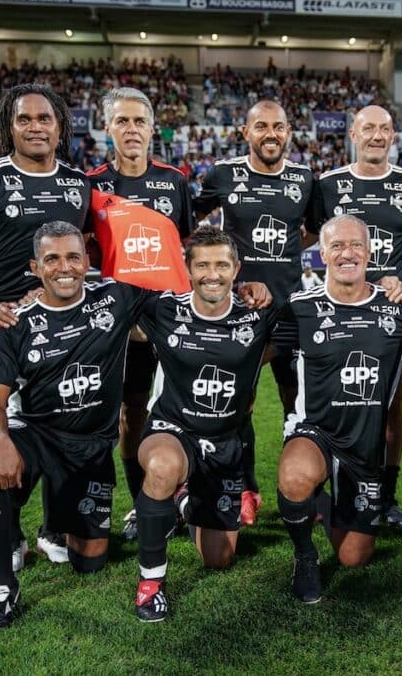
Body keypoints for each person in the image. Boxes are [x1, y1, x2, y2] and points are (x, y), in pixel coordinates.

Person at [0, 222, 149, 632]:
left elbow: (181, 286)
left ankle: (54, 524)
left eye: (72, 257)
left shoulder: (116, 298)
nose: (64, 267)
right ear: (36, 267)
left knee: (91, 561)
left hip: (90, 446)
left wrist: (248, 288)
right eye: (52, 259)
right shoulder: (14, 322)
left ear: (87, 262)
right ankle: (2, 586)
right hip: (37, 436)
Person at [0, 83, 90, 567]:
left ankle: (53, 528)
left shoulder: (78, 183)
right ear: (10, 126)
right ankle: (10, 534)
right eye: (24, 119)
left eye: (45, 118)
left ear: (60, 126)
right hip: (6, 325)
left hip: (64, 324)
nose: (35, 127)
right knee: (2, 426)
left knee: (61, 420)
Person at [273, 215, 402, 603]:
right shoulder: (299, 308)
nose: (347, 253)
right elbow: (250, 351)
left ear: (370, 253)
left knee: (354, 557)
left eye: (356, 245)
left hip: (364, 449)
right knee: (295, 476)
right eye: (337, 245)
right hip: (316, 433)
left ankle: (326, 498)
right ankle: (305, 556)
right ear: (322, 254)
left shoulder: (394, 308)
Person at [132, 226, 277, 622]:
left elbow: (294, 335)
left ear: (236, 269)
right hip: (173, 429)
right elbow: (110, 308)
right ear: (188, 269)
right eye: (202, 266)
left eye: (221, 266)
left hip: (225, 443)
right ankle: (150, 583)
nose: (212, 275)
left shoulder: (258, 314)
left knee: (219, 558)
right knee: (162, 466)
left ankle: (184, 500)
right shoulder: (164, 309)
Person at [194, 100, 316, 526]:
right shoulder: (223, 174)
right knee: (238, 400)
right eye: (261, 126)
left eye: (279, 127)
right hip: (241, 309)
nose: (271, 134)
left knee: (297, 400)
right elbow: (191, 222)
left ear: (288, 132)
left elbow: (313, 227)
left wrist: (292, 245)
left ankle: (299, 487)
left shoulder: (304, 178)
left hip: (291, 310)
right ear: (245, 132)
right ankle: (245, 489)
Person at [87, 87, 193, 541]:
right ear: (107, 128)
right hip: (121, 325)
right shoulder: (91, 184)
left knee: (183, 408)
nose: (131, 129)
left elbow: (183, 247)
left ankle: (184, 495)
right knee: (130, 414)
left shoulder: (174, 181)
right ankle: (139, 503)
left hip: (170, 321)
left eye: (139, 121)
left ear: (152, 129)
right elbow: (85, 252)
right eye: (122, 121)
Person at [313, 104, 402, 525]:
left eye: (384, 129)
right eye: (368, 129)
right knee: (335, 402)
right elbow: (308, 236)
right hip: (337, 314)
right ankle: (331, 490)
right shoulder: (328, 184)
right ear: (353, 135)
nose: (376, 136)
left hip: (390, 316)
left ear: (393, 135)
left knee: (390, 409)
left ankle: (386, 496)